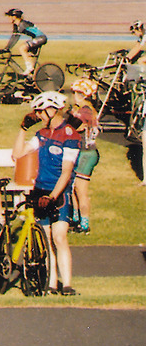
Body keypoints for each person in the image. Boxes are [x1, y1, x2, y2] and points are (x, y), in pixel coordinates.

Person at [13, 91, 79, 295]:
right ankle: (51, 283)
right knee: (47, 239)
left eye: (41, 111)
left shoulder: (70, 135)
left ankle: (66, 284)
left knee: (59, 237)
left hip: (58, 193)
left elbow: (67, 173)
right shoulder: (41, 135)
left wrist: (52, 197)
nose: (39, 115)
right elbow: (17, 154)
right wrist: (23, 129)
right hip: (40, 190)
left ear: (52, 110)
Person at [67, 78, 101, 233]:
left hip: (87, 153)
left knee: (81, 191)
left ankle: (85, 224)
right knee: (74, 188)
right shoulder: (85, 108)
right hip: (84, 152)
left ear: (80, 94)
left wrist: (69, 114)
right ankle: (76, 218)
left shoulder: (84, 110)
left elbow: (72, 127)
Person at [2, 9, 47, 76]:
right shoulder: (16, 25)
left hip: (41, 38)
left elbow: (16, 37)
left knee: (22, 48)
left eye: (9, 16)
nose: (8, 18)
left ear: (14, 17)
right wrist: (7, 48)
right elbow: (13, 37)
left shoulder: (22, 24)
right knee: (29, 56)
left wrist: (7, 48)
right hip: (37, 38)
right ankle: (31, 77)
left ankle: (29, 68)